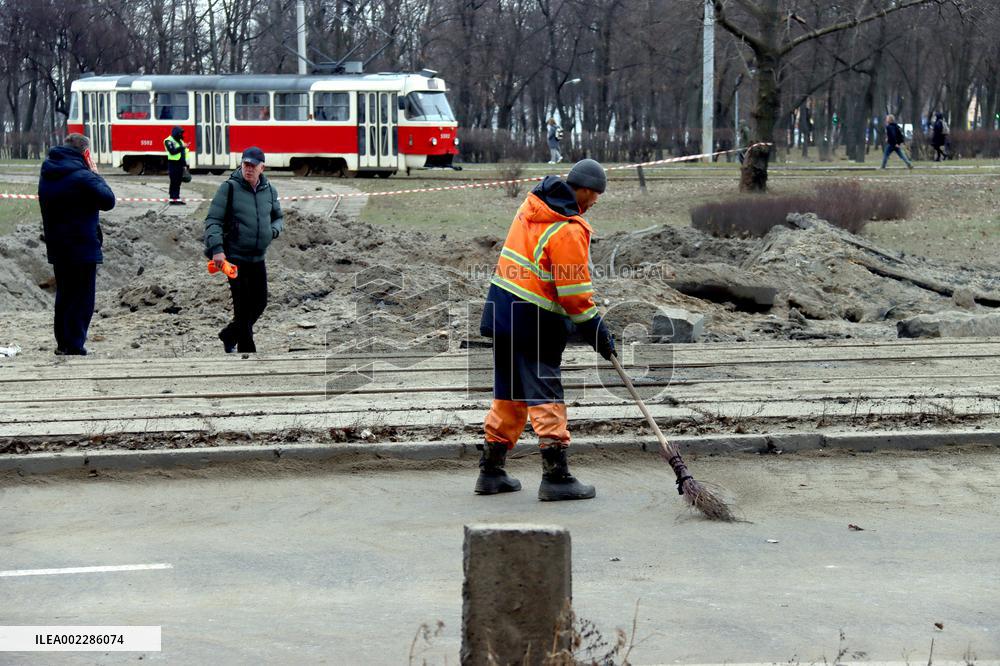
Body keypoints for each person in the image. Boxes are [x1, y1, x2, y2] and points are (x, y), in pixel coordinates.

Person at [477, 158, 615, 501]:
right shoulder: (568, 228)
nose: (595, 202)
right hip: (534, 321)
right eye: (595, 194)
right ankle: (556, 477)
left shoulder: (532, 206)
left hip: (502, 312)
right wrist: (598, 332)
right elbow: (574, 295)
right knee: (546, 397)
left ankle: (491, 472)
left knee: (509, 396)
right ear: (582, 189)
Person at [38, 133, 116, 356]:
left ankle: (63, 343)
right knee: (82, 297)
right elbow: (108, 200)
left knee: (64, 295)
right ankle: (75, 344)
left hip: (57, 244)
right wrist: (96, 174)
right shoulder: (83, 176)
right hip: (82, 245)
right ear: (85, 153)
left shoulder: (48, 172)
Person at [203, 147, 284, 354]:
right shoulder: (229, 188)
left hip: (258, 257)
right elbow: (213, 220)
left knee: (260, 303)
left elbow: (278, 217)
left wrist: (272, 231)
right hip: (234, 257)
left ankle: (229, 335)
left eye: (252, 166)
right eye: (245, 165)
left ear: (262, 167)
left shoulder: (270, 190)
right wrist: (218, 249)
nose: (248, 169)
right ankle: (247, 353)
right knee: (243, 306)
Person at [163, 126, 189, 204]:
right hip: (173, 164)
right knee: (174, 182)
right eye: (180, 133)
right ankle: (172, 199)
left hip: (180, 164)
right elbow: (172, 151)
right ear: (175, 133)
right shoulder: (168, 141)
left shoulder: (180, 141)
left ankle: (177, 198)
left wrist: (184, 165)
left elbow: (183, 153)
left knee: (178, 182)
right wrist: (182, 147)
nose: (181, 134)